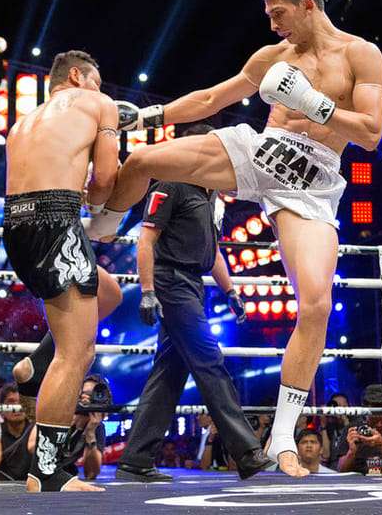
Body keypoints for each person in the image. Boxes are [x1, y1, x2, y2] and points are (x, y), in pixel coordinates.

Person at [84, 0, 382, 477]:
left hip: (310, 182)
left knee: (315, 303)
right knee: (143, 160)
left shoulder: (361, 54)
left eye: (279, 13)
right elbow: (211, 98)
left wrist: (313, 104)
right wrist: (151, 116)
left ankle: (284, 438)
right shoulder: (272, 56)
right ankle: (98, 232)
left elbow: (371, 132)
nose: (272, 24)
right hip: (263, 151)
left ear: (308, 5)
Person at [116, 125, 271, 482]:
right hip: (172, 283)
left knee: (169, 372)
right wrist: (148, 290)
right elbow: (146, 239)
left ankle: (135, 459)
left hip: (192, 284)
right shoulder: (172, 183)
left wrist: (231, 292)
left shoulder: (210, 194)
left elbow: (212, 250)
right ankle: (247, 452)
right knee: (208, 360)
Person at [2, 49, 122, 492]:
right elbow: (106, 177)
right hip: (57, 221)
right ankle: (46, 471)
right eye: (97, 79)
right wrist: (104, 212)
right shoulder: (97, 102)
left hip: (17, 225)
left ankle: (36, 364)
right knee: (78, 354)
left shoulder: (23, 122)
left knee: (109, 295)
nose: (100, 87)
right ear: (78, 76)